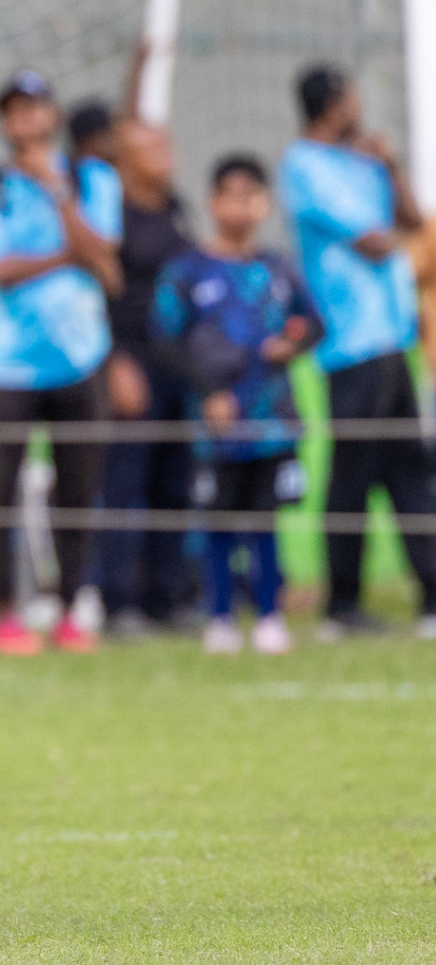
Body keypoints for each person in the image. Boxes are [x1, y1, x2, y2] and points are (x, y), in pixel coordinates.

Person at [0, 69, 123, 656]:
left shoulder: (92, 178)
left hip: (82, 358)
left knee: (79, 492)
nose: (25, 121)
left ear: (52, 115)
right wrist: (66, 256)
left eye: (35, 108)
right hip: (4, 365)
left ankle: (73, 605)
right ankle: (7, 613)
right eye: (14, 111)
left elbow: (103, 254)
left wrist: (56, 192)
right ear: (4, 123)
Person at [280, 65, 436, 641]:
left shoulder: (365, 162)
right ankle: (341, 604)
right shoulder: (303, 166)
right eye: (353, 95)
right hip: (349, 344)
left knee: (411, 471)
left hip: (395, 338)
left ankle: (431, 595)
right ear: (333, 104)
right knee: (353, 472)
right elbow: (375, 242)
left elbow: (414, 219)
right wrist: (404, 242)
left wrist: (390, 166)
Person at [153, 155, 322, 655]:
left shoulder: (277, 269)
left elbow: (313, 324)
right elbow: (164, 341)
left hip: (271, 422)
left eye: (251, 195)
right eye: (231, 194)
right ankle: (220, 616)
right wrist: (209, 393)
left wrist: (292, 343)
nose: (240, 206)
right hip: (215, 427)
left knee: (265, 520)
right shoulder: (188, 270)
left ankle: (271, 615)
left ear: (265, 204)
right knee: (217, 520)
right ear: (213, 202)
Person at [97, 88, 198, 636]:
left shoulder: (177, 209)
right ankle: (119, 600)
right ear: (126, 157)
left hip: (177, 364)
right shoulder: (115, 216)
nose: (166, 150)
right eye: (151, 144)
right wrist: (115, 360)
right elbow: (103, 291)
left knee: (175, 482)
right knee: (124, 482)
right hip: (132, 361)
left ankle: (169, 595)